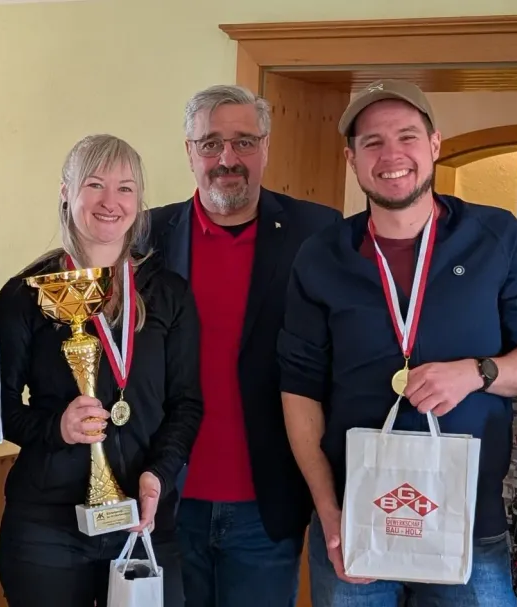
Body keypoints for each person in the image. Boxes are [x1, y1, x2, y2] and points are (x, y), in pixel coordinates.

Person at [278, 79, 517, 606]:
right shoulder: (322, 256)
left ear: (434, 144)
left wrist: (478, 373)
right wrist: (329, 509)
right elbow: (300, 392)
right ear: (351, 159)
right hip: (355, 518)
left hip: (469, 522)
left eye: (407, 136)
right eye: (372, 143)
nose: (392, 155)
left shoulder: (495, 236)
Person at [146, 84, 341, 607]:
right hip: (165, 496)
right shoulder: (147, 237)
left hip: (267, 500)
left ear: (266, 147)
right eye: (209, 144)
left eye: (243, 142)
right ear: (188, 152)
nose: (226, 158)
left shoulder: (317, 233)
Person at [0, 134, 203, 607]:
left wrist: (159, 475)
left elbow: (186, 403)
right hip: (47, 531)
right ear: (67, 191)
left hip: (142, 518)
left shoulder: (168, 293)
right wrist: (57, 427)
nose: (111, 202)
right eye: (95, 184)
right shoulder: (28, 293)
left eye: (125, 188)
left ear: (139, 200)